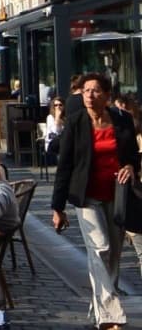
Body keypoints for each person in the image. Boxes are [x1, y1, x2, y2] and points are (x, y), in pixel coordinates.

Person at [51, 71, 139, 330]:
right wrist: (57, 207)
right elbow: (64, 166)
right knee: (98, 248)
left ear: (107, 96)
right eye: (86, 91)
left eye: (95, 90)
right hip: (87, 195)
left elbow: (133, 156)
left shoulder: (122, 120)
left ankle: (100, 306)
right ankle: (111, 315)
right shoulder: (76, 122)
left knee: (112, 254)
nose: (89, 95)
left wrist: (132, 168)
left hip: (117, 194)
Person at [45, 95, 67, 166]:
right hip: (52, 142)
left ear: (64, 106)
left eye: (60, 105)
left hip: (64, 142)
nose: (58, 107)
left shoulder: (66, 117)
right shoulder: (50, 117)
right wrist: (57, 118)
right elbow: (55, 131)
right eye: (56, 105)